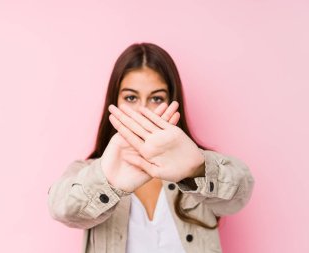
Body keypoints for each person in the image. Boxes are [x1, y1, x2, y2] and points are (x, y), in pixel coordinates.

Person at [47, 42, 254, 253]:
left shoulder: (195, 165)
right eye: (131, 97)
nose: (143, 110)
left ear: (173, 100)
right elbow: (60, 208)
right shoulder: (90, 171)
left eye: (156, 98)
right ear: (115, 101)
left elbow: (241, 192)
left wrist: (197, 169)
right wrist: (106, 178)